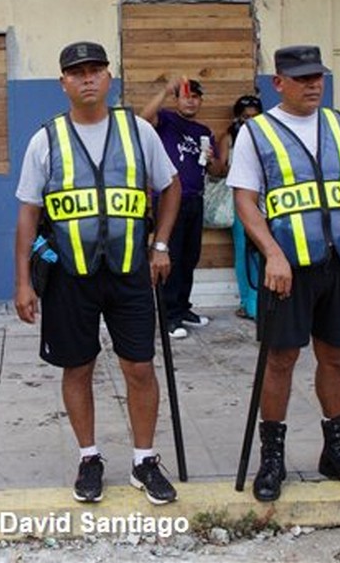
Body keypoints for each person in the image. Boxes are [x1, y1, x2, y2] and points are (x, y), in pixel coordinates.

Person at [14, 41, 182, 505]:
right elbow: (28, 213)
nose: (87, 78)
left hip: (129, 270)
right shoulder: (45, 139)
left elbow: (171, 188)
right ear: (63, 83)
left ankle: (144, 460)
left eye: (95, 70)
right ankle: (89, 457)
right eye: (77, 72)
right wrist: (24, 282)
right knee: (77, 366)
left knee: (140, 367)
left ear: (110, 77)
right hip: (70, 274)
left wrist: (161, 244)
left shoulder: (137, 132)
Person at [228, 45, 340, 502]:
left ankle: (337, 451)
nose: (313, 84)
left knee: (335, 357)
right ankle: (271, 458)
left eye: (317, 76)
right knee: (281, 360)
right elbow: (244, 201)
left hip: (337, 264)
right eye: (301, 78)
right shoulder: (256, 133)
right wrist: (273, 253)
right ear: (279, 83)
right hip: (287, 270)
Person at [140, 76, 220, 338]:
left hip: (195, 199)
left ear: (200, 101)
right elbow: (142, 119)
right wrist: (165, 90)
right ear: (177, 100)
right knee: (168, 258)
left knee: (189, 258)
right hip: (168, 198)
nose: (190, 100)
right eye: (186, 96)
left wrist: (211, 161)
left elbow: (220, 170)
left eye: (195, 96)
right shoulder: (165, 120)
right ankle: (168, 316)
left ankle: (183, 308)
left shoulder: (204, 132)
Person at [217, 94, 263, 321]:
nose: (250, 122)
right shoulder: (229, 137)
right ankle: (250, 302)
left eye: (255, 117)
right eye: (246, 117)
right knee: (245, 250)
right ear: (238, 118)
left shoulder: (268, 135)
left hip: (265, 200)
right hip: (240, 200)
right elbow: (220, 169)